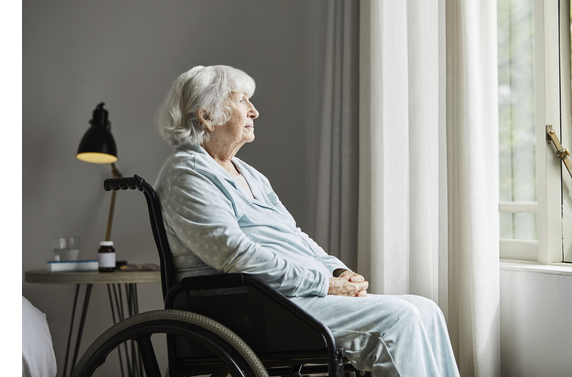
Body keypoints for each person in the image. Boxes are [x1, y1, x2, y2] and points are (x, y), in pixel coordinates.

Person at [154, 65, 460, 377]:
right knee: (400, 319)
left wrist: (338, 270)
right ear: (207, 115)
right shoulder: (187, 173)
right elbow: (236, 256)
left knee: (427, 311)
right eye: (243, 100)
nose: (254, 111)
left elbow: (295, 236)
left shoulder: (248, 173)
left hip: (287, 298)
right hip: (248, 308)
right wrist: (324, 284)